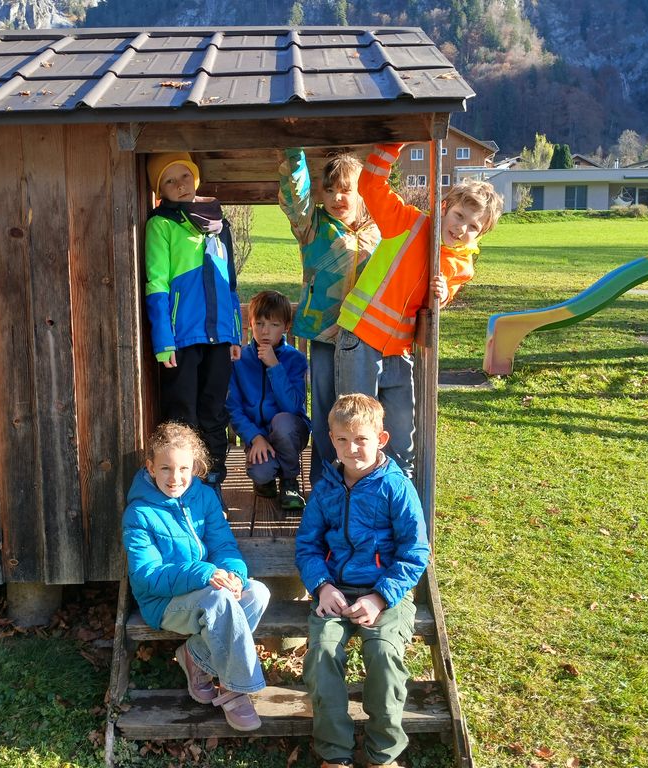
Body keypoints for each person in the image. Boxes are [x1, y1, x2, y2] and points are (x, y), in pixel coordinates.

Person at [336, 144, 504, 477]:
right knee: (355, 430)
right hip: (361, 338)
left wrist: (443, 295)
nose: (462, 229)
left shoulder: (461, 264)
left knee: (401, 436)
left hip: (401, 350)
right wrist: (394, 143)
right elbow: (371, 184)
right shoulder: (408, 223)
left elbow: (439, 300)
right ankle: (352, 496)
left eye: (473, 226)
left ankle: (399, 497)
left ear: (481, 234)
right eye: (459, 216)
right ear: (445, 207)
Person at [295, 394, 430, 768]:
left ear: (381, 439)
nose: (351, 448)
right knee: (322, 654)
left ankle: (382, 754)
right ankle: (334, 753)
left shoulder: (396, 488)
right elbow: (307, 545)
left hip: (385, 593)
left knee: (383, 654)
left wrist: (380, 597)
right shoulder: (326, 488)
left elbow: (415, 552)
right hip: (335, 592)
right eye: (342, 439)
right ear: (331, 439)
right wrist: (321, 585)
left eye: (361, 439)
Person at [123, 422, 270, 731]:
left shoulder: (204, 497)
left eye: (183, 469)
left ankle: (195, 656)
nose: (174, 478)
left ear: (195, 468)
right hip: (164, 602)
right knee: (219, 601)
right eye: (165, 468)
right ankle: (236, 689)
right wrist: (205, 573)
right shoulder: (139, 514)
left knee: (258, 593)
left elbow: (223, 545)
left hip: (207, 590)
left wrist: (234, 575)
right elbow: (147, 575)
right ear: (150, 467)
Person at [278, 147, 380, 486]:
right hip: (324, 333)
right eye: (330, 189)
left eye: (346, 189)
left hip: (364, 336)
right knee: (325, 407)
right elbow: (296, 199)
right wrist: (295, 155)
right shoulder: (313, 225)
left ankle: (360, 481)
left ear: (362, 192)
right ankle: (325, 483)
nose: (337, 197)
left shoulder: (377, 231)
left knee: (360, 409)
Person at [144, 152, 243, 502]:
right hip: (181, 338)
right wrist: (163, 340)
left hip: (220, 336)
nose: (180, 185)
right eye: (169, 181)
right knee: (182, 414)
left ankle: (212, 485)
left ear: (195, 178)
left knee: (214, 412)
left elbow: (230, 285)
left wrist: (235, 333)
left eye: (184, 176)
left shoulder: (219, 224)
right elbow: (156, 283)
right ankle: (181, 491)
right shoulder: (161, 224)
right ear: (160, 190)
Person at [227, 290, 310, 512]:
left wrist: (275, 367)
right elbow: (234, 408)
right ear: (250, 324)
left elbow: (292, 406)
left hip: (291, 431)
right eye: (259, 324)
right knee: (260, 472)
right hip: (259, 436)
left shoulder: (295, 360)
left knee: (282, 422)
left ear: (286, 327)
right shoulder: (239, 360)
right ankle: (267, 478)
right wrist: (255, 438)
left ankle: (290, 481)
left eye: (274, 325)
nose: (265, 331)